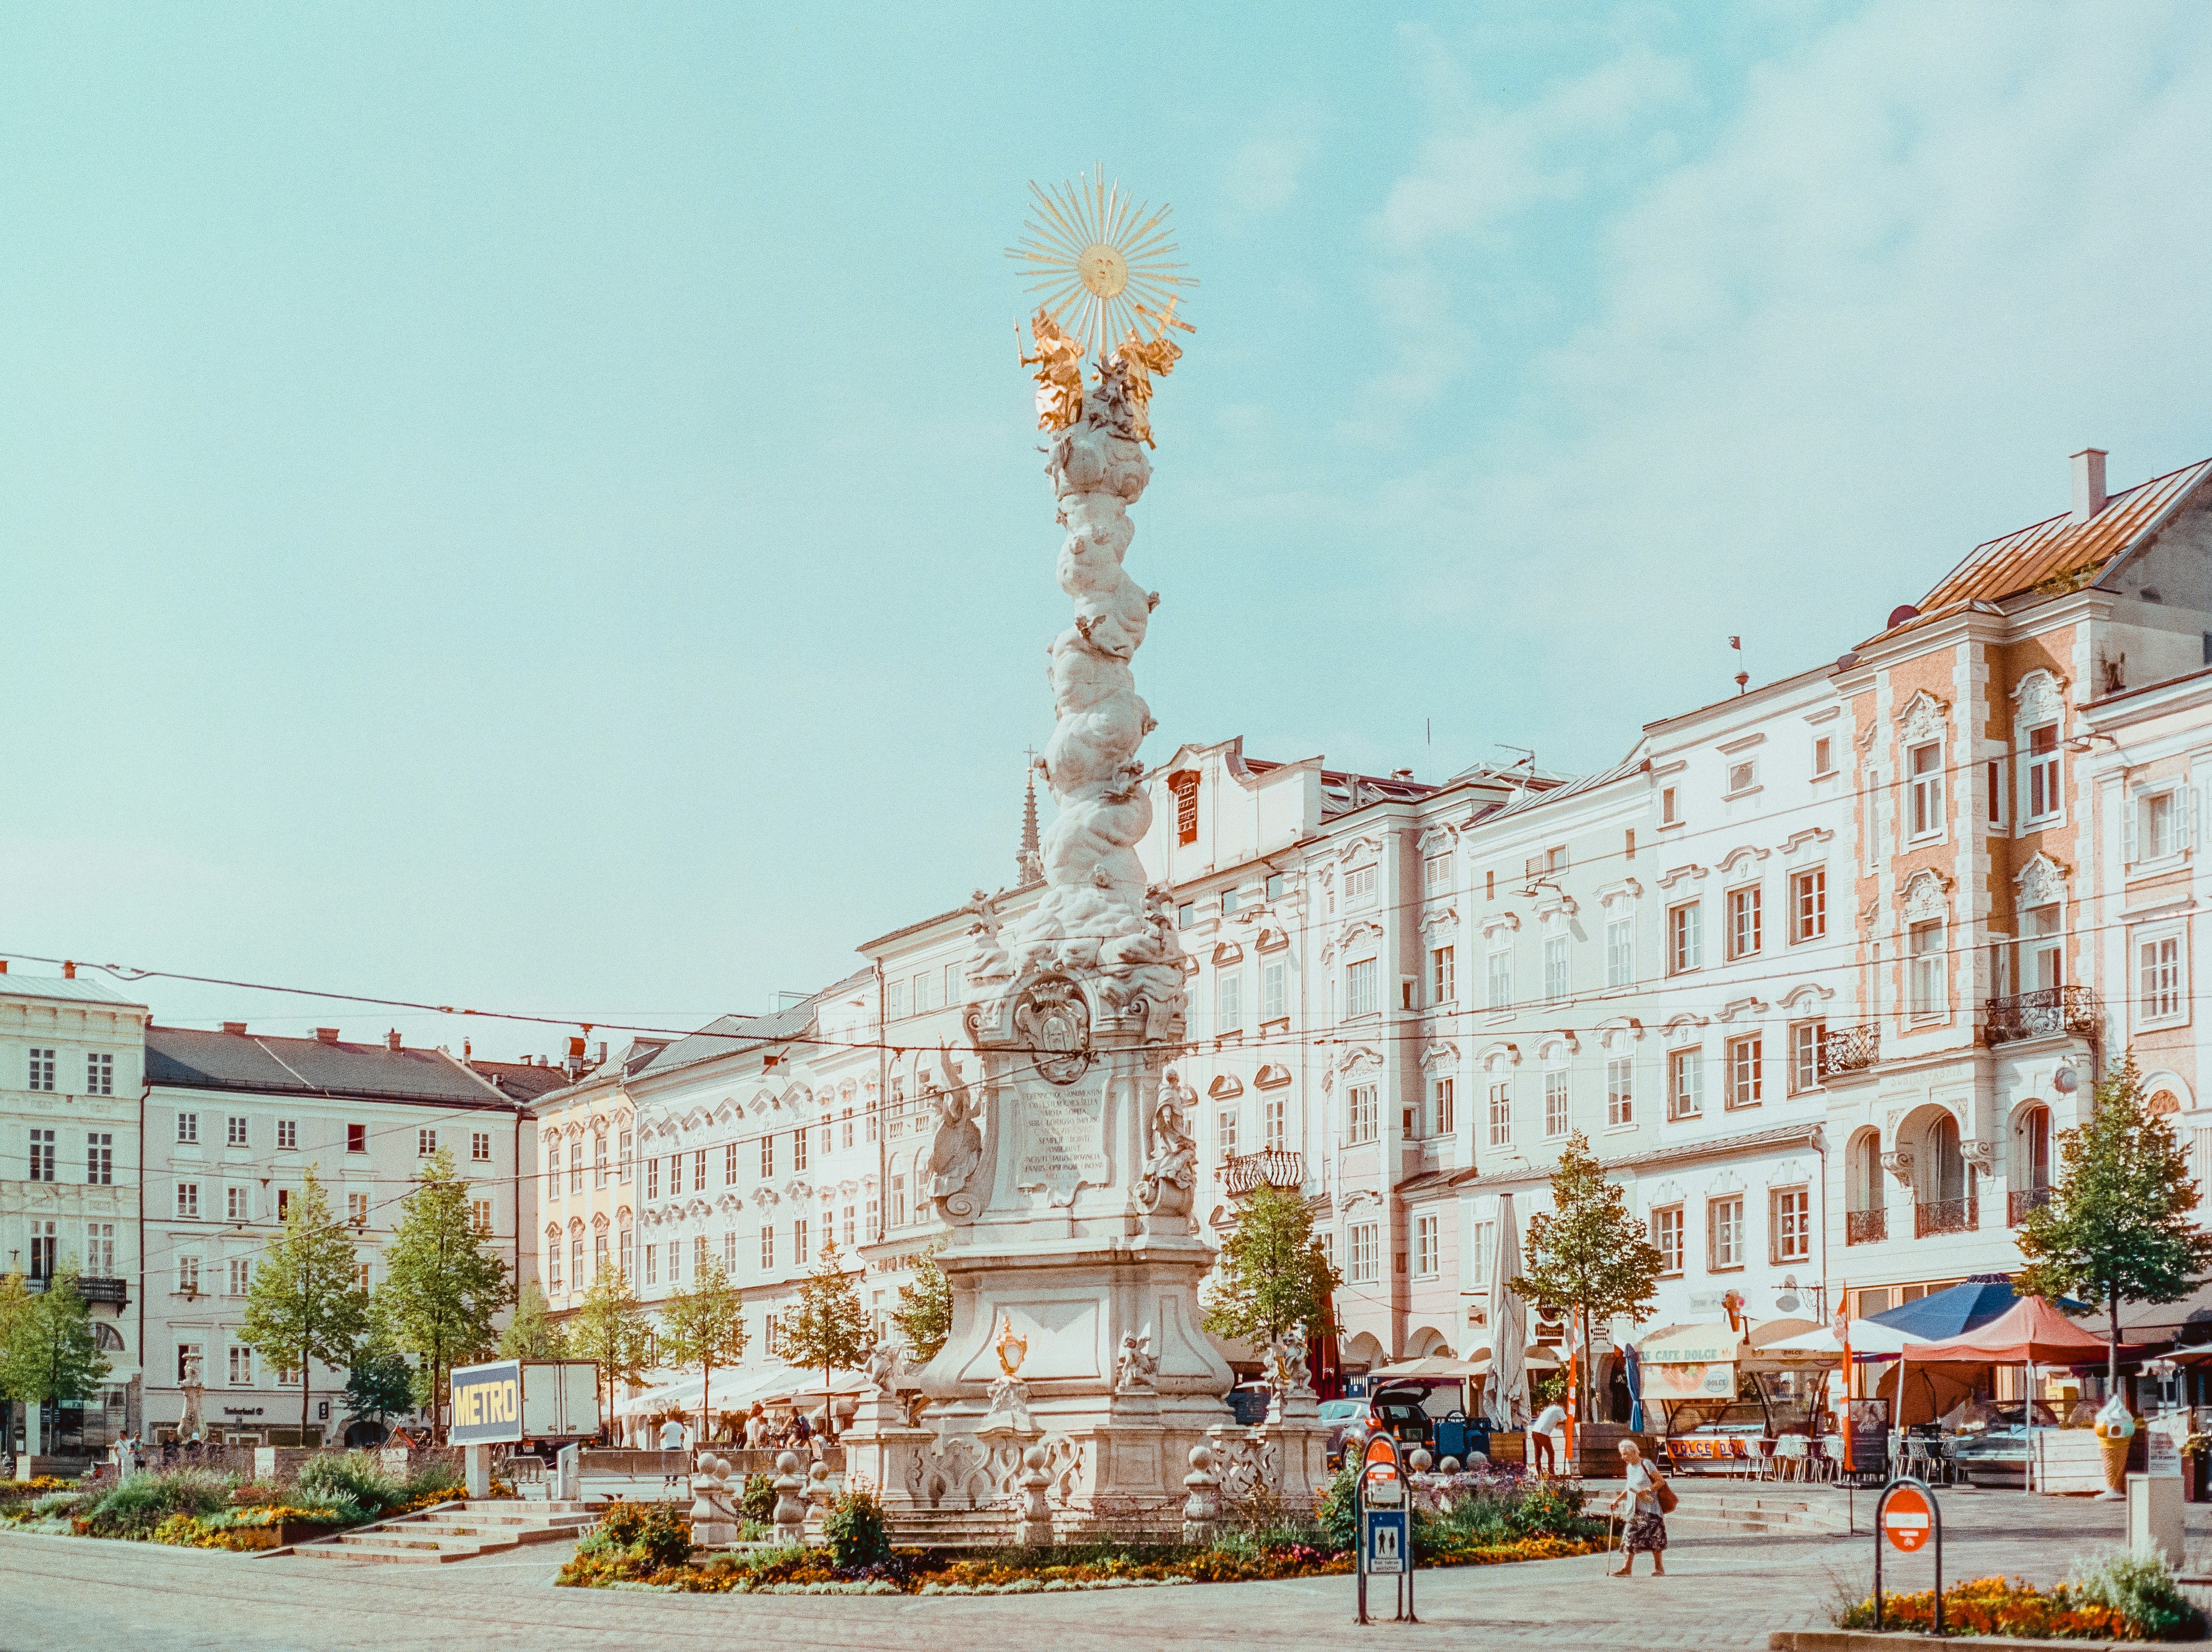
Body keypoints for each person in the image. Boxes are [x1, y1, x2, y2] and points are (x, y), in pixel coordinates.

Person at [1609, 1439, 1668, 1577]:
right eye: (1622, 1455)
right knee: (1630, 1537)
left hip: (1651, 1508)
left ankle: (1659, 1568)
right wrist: (1617, 1500)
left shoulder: (1646, 1464)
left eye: (1626, 1455)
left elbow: (1660, 1482)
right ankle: (1627, 1568)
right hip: (1635, 1509)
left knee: (1655, 1538)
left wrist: (1647, 1490)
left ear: (1634, 1452)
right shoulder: (1630, 1467)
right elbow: (1629, 1488)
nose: (1623, 1458)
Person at [1530, 1398, 1568, 1476]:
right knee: (1551, 1453)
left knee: (1538, 1454)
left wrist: (1556, 1422)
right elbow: (1566, 1421)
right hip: (1543, 1433)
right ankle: (1551, 1473)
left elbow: (1550, 1420)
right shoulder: (1560, 1409)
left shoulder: (1550, 1408)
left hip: (1535, 1431)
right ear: (1562, 1404)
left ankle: (1540, 1474)